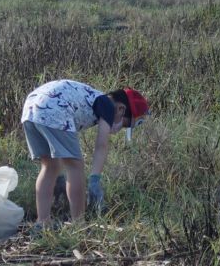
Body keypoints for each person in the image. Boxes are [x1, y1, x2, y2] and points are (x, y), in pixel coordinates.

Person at [21, 80, 149, 226]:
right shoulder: (107, 104)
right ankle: (79, 224)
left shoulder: (95, 99)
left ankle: (42, 222)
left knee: (50, 166)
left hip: (31, 108)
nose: (120, 128)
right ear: (120, 109)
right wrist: (95, 179)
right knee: (75, 166)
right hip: (54, 107)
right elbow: (101, 145)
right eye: (125, 124)